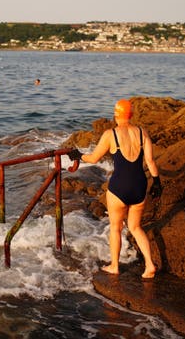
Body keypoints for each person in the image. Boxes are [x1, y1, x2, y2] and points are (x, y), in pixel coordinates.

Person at [68, 99, 162, 279]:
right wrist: (157, 182)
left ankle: (114, 266)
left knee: (115, 228)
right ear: (131, 114)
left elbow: (94, 158)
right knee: (135, 227)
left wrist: (79, 155)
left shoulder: (111, 134)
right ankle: (149, 265)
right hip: (140, 186)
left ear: (115, 114)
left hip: (119, 187)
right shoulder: (142, 132)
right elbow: (150, 161)